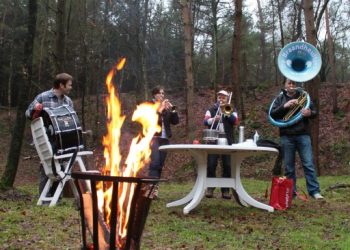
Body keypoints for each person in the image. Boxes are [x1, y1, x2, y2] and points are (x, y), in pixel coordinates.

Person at [269, 78, 324, 199]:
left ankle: (314, 192)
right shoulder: (279, 98)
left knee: (308, 164)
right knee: (288, 167)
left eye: (294, 83)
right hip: (286, 136)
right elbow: (272, 114)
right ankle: (291, 192)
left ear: (296, 85)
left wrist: (310, 113)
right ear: (285, 85)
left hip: (303, 134)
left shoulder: (303, 97)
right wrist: (285, 106)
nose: (292, 85)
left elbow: (315, 112)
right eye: (289, 83)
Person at [25, 73, 74, 196]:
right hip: (46, 139)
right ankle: (44, 195)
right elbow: (27, 114)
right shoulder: (43, 97)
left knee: (61, 165)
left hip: (63, 139)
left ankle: (57, 196)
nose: (70, 87)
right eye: (69, 85)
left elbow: (72, 121)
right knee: (47, 165)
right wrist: (35, 110)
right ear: (61, 85)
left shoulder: (68, 101)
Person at [204, 90, 239, 199]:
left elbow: (235, 121)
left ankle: (225, 190)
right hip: (213, 140)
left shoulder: (231, 109)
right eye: (220, 97)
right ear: (217, 98)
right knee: (211, 164)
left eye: (223, 97)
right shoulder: (211, 109)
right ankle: (210, 188)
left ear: (227, 98)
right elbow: (205, 122)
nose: (221, 99)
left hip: (227, 140)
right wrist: (214, 119)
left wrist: (226, 112)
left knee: (227, 165)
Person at [148, 86, 179, 178]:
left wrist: (173, 109)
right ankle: (151, 186)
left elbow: (175, 122)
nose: (162, 95)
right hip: (154, 138)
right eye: (160, 93)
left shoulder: (165, 108)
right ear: (154, 95)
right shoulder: (148, 105)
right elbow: (151, 120)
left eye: (163, 93)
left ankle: (155, 187)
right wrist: (160, 109)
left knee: (160, 164)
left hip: (165, 139)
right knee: (155, 163)